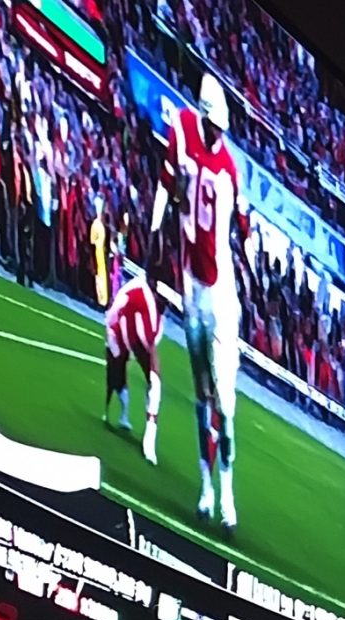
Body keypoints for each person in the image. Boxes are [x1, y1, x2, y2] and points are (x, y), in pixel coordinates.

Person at [155, 72, 250, 531]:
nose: (215, 133)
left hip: (219, 294)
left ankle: (228, 491)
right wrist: (161, 217)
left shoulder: (228, 169)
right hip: (193, 290)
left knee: (226, 407)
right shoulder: (183, 130)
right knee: (201, 399)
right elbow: (171, 179)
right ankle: (207, 487)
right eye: (213, 124)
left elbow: (225, 233)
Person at [103, 255, 160, 465]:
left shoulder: (154, 302)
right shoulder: (135, 291)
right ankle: (122, 413)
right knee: (117, 373)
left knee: (155, 381)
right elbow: (114, 311)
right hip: (120, 333)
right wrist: (111, 332)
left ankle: (149, 437)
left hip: (138, 338)